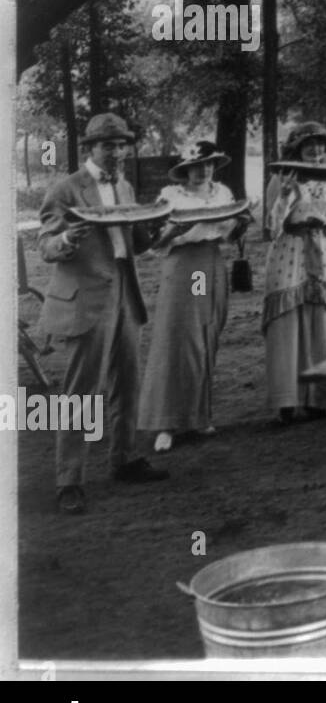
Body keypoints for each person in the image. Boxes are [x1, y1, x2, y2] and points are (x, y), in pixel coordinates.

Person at [38, 113, 170, 514]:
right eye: (108, 145)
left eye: (121, 144)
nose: (117, 152)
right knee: (80, 391)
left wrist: (162, 227)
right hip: (86, 298)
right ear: (91, 148)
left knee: (127, 382)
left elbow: (136, 242)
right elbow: (46, 246)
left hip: (125, 292)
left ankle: (125, 459)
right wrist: (67, 237)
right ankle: (69, 480)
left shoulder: (125, 186)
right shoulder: (66, 189)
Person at [139, 141, 251, 454]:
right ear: (185, 170)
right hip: (186, 268)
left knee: (205, 335)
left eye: (209, 164)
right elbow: (154, 243)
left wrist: (242, 223)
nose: (204, 170)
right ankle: (166, 423)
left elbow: (228, 234)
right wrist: (175, 231)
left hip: (211, 264)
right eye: (197, 166)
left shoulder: (223, 193)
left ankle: (198, 416)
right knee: (179, 338)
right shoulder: (171, 196)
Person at [264, 122, 326, 425]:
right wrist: (286, 195)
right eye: (309, 145)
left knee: (320, 319)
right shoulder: (282, 177)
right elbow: (271, 226)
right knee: (287, 320)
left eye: (320, 144)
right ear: (296, 148)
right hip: (289, 249)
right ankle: (287, 401)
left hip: (321, 249)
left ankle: (318, 398)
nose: (316, 150)